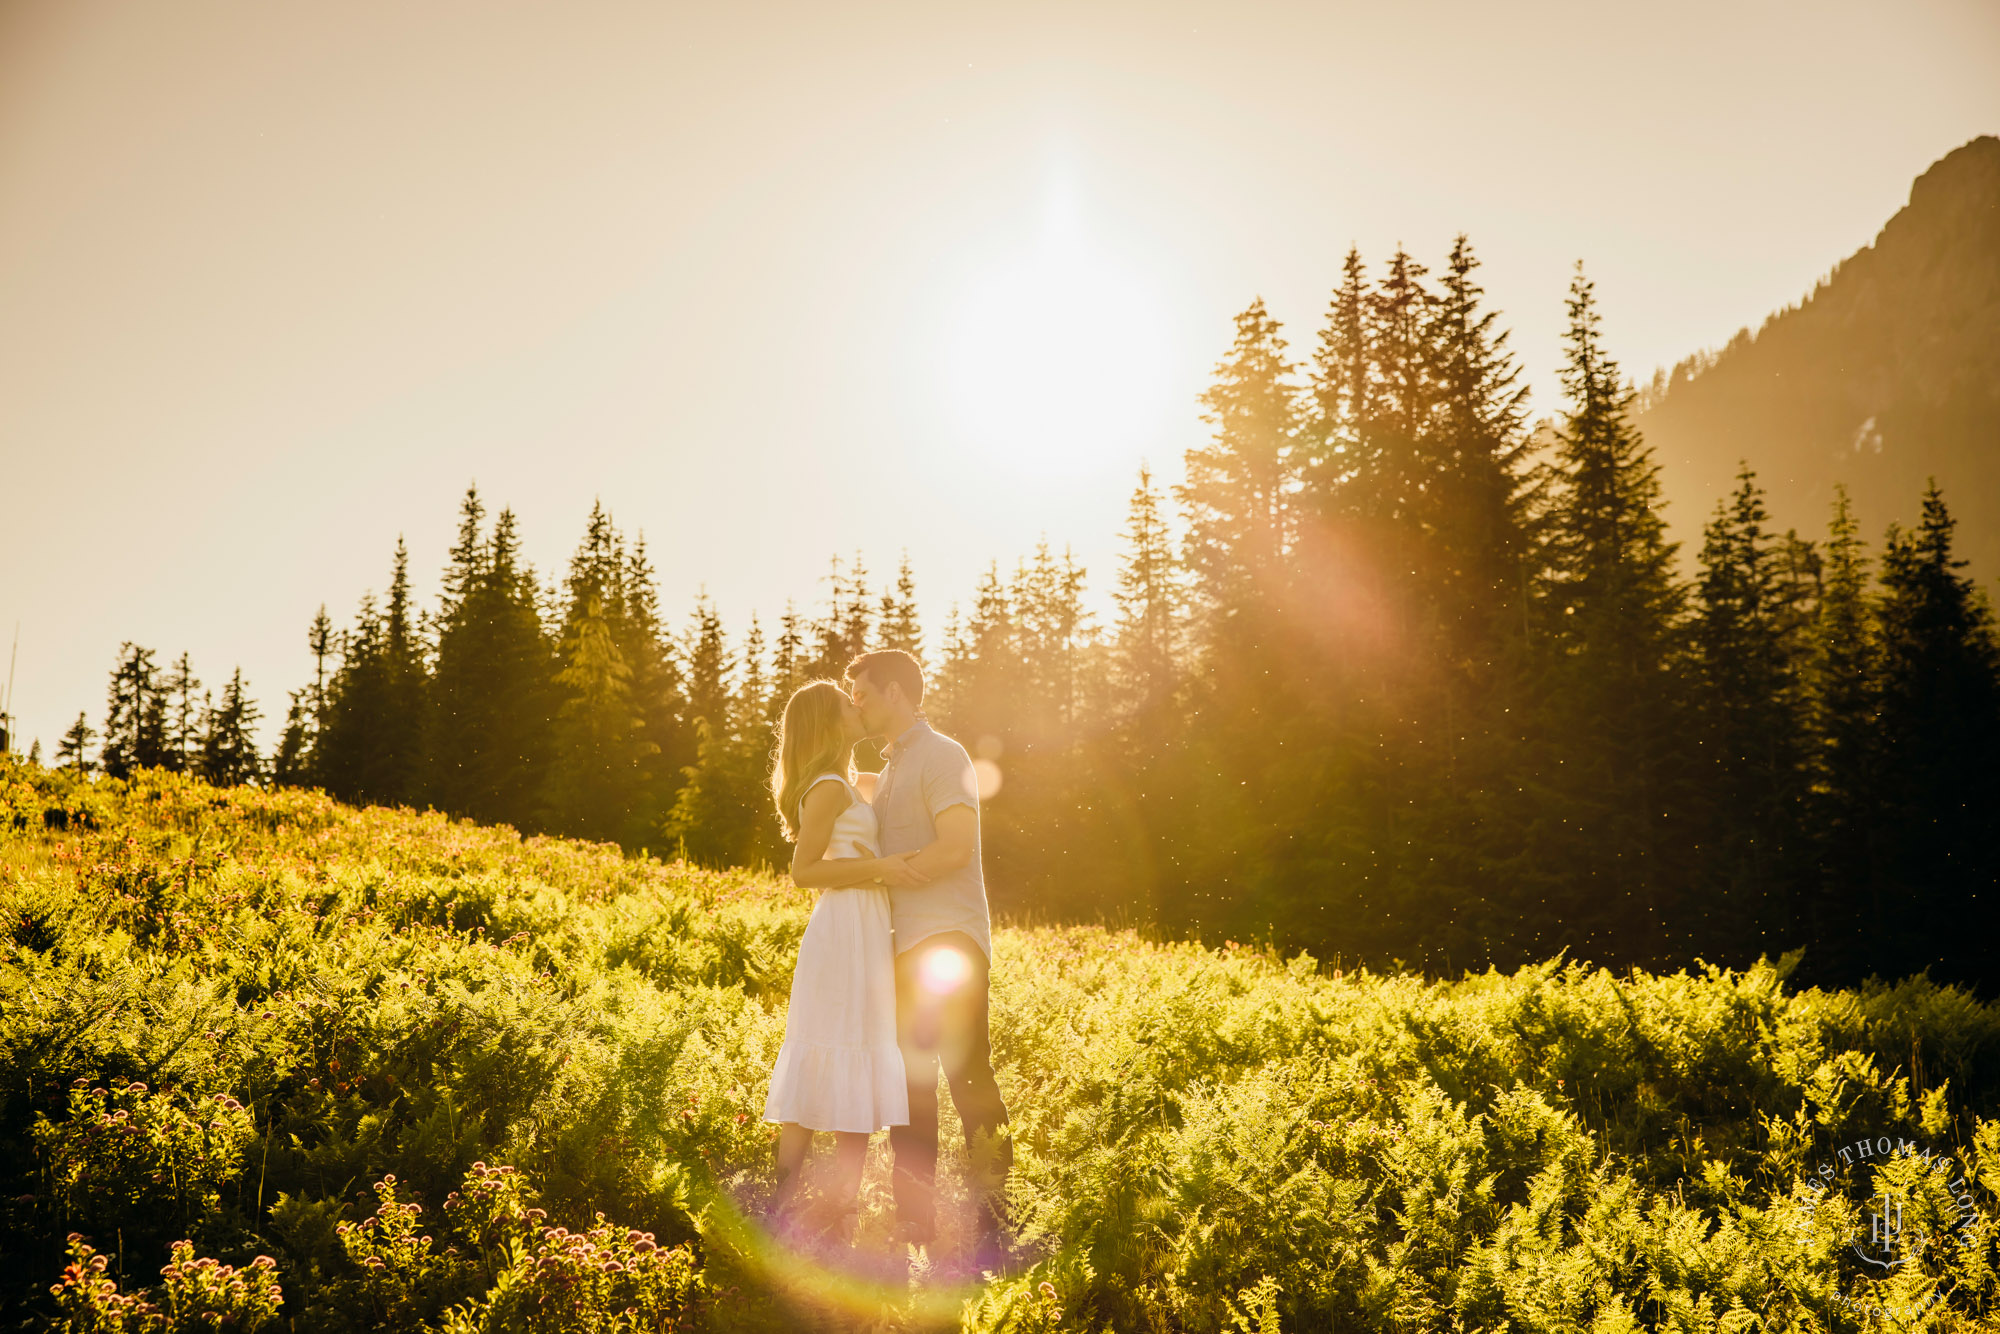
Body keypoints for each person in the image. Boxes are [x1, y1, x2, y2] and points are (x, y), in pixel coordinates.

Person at [844, 649, 1013, 1261]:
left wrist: (889, 873)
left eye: (861, 692)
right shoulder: (888, 770)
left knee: (967, 1076)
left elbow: (956, 849)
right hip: (904, 946)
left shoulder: (944, 755)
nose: (855, 703)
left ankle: (996, 1217)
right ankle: (916, 1224)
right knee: (911, 1086)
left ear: (894, 692)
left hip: (950, 941)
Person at [760, 679, 926, 1239]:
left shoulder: (855, 783)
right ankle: (781, 1204)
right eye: (845, 705)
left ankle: (840, 1210)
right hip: (840, 933)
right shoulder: (828, 786)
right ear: (828, 725)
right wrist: (878, 867)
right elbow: (804, 871)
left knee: (855, 1057)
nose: (858, 708)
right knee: (823, 1056)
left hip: (867, 931)